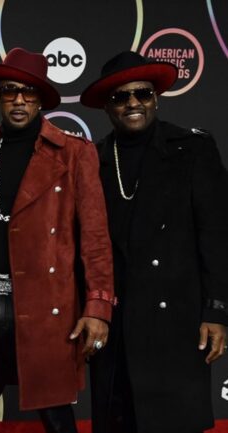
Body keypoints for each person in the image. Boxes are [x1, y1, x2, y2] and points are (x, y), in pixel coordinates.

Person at [0, 48, 115, 433]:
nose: (18, 100)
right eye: (9, 90)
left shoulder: (74, 154)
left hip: (46, 301)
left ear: (42, 99)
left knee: (55, 412)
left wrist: (97, 306)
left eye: (29, 92)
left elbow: (95, 238)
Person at [80, 51, 228, 433]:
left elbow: (216, 235)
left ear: (156, 98)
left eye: (142, 94)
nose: (133, 103)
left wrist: (216, 311)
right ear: (107, 106)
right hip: (117, 328)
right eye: (121, 97)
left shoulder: (192, 149)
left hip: (175, 322)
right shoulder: (93, 160)